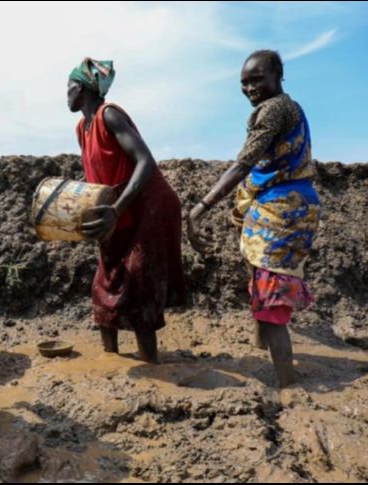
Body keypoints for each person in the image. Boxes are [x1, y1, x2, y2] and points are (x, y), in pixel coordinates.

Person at [187, 50, 320, 387]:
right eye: (244, 83)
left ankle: (287, 384)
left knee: (272, 301)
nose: (249, 88)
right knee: (262, 282)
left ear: (278, 75)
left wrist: (202, 206)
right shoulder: (285, 109)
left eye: (257, 79)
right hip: (280, 207)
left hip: (282, 210)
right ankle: (264, 348)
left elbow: (244, 162)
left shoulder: (276, 110)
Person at [68, 58, 186, 363]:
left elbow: (146, 162)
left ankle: (151, 363)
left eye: (69, 87)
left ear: (81, 88)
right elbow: (98, 176)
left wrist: (116, 211)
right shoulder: (83, 127)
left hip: (149, 207)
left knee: (138, 286)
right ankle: (113, 361)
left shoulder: (110, 115)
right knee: (105, 283)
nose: (65, 94)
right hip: (118, 209)